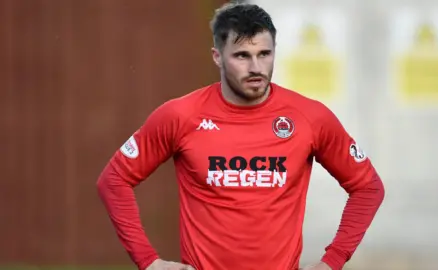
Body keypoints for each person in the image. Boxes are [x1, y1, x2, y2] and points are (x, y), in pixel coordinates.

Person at [96, 3, 385, 270]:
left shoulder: (309, 117)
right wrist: (149, 262)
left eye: (264, 54)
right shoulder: (180, 116)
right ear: (217, 57)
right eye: (242, 56)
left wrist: (331, 261)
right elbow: (114, 180)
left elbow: (368, 187)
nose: (256, 68)